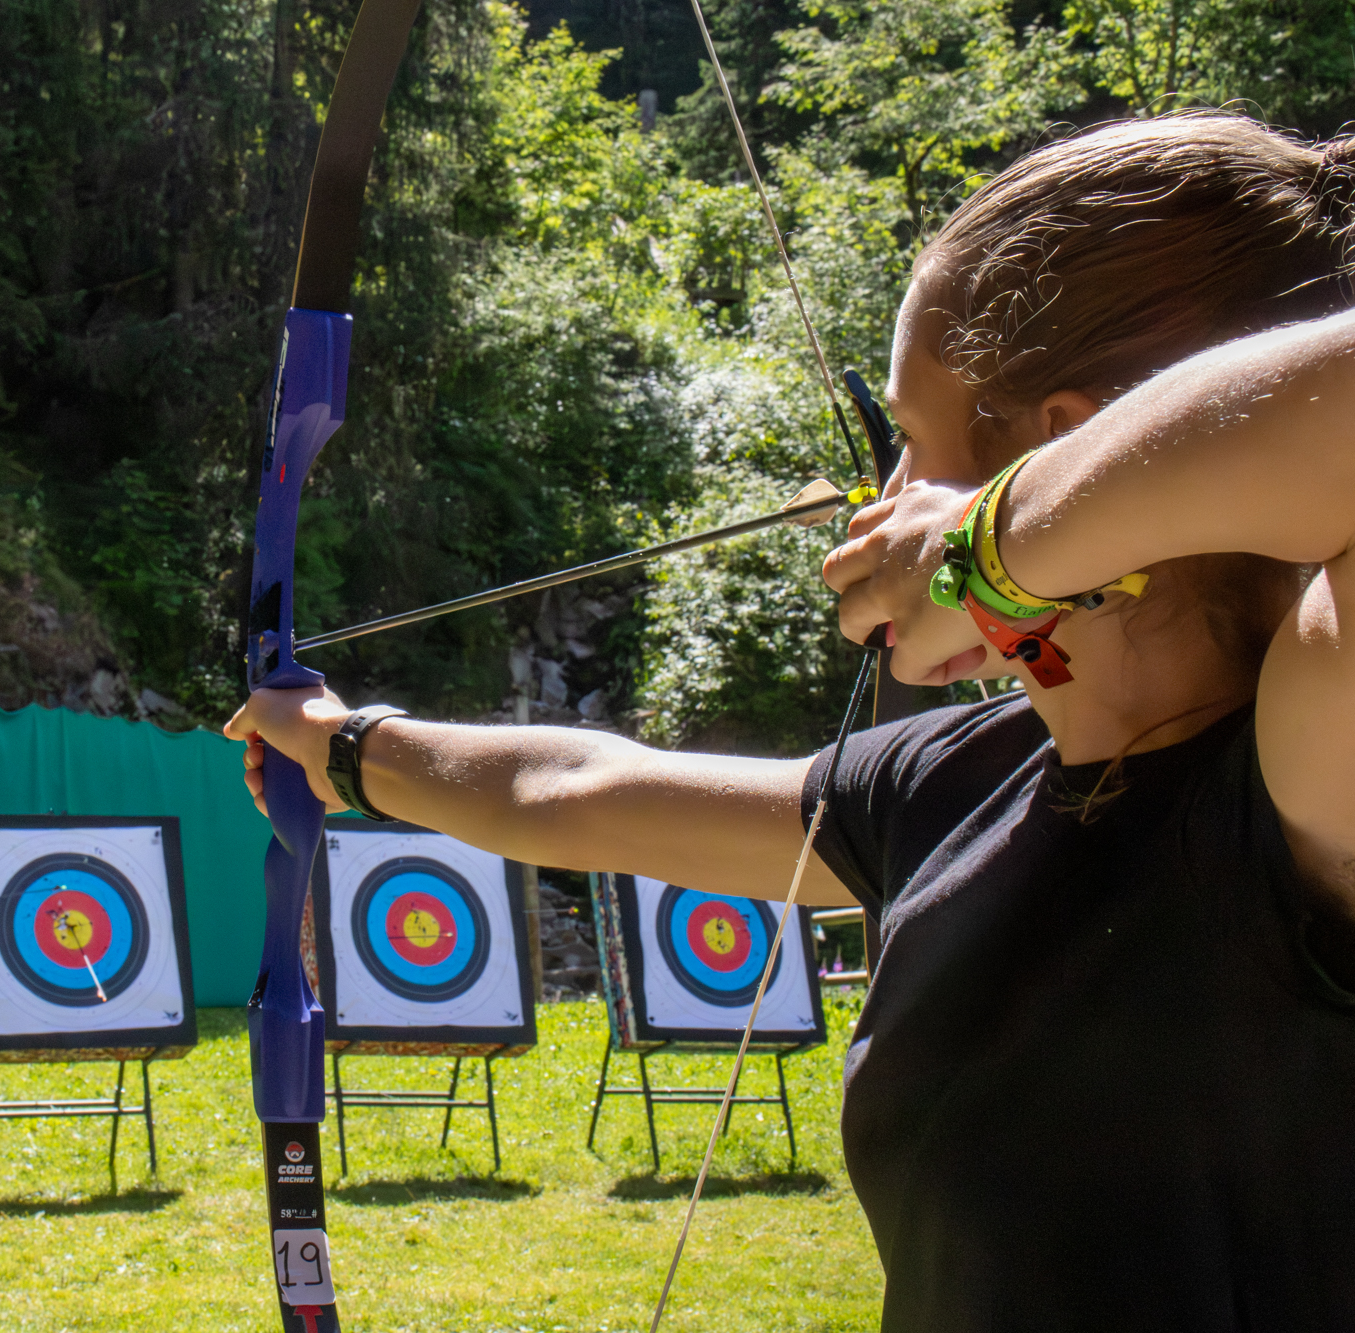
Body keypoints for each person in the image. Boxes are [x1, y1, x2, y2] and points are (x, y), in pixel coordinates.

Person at [225, 114, 1355, 1329]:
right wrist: (342, 749)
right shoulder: (950, 782)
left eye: (911, 445)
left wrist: (987, 548)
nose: (880, 506)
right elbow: (580, 793)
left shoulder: (1304, 777)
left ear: (1062, 442)